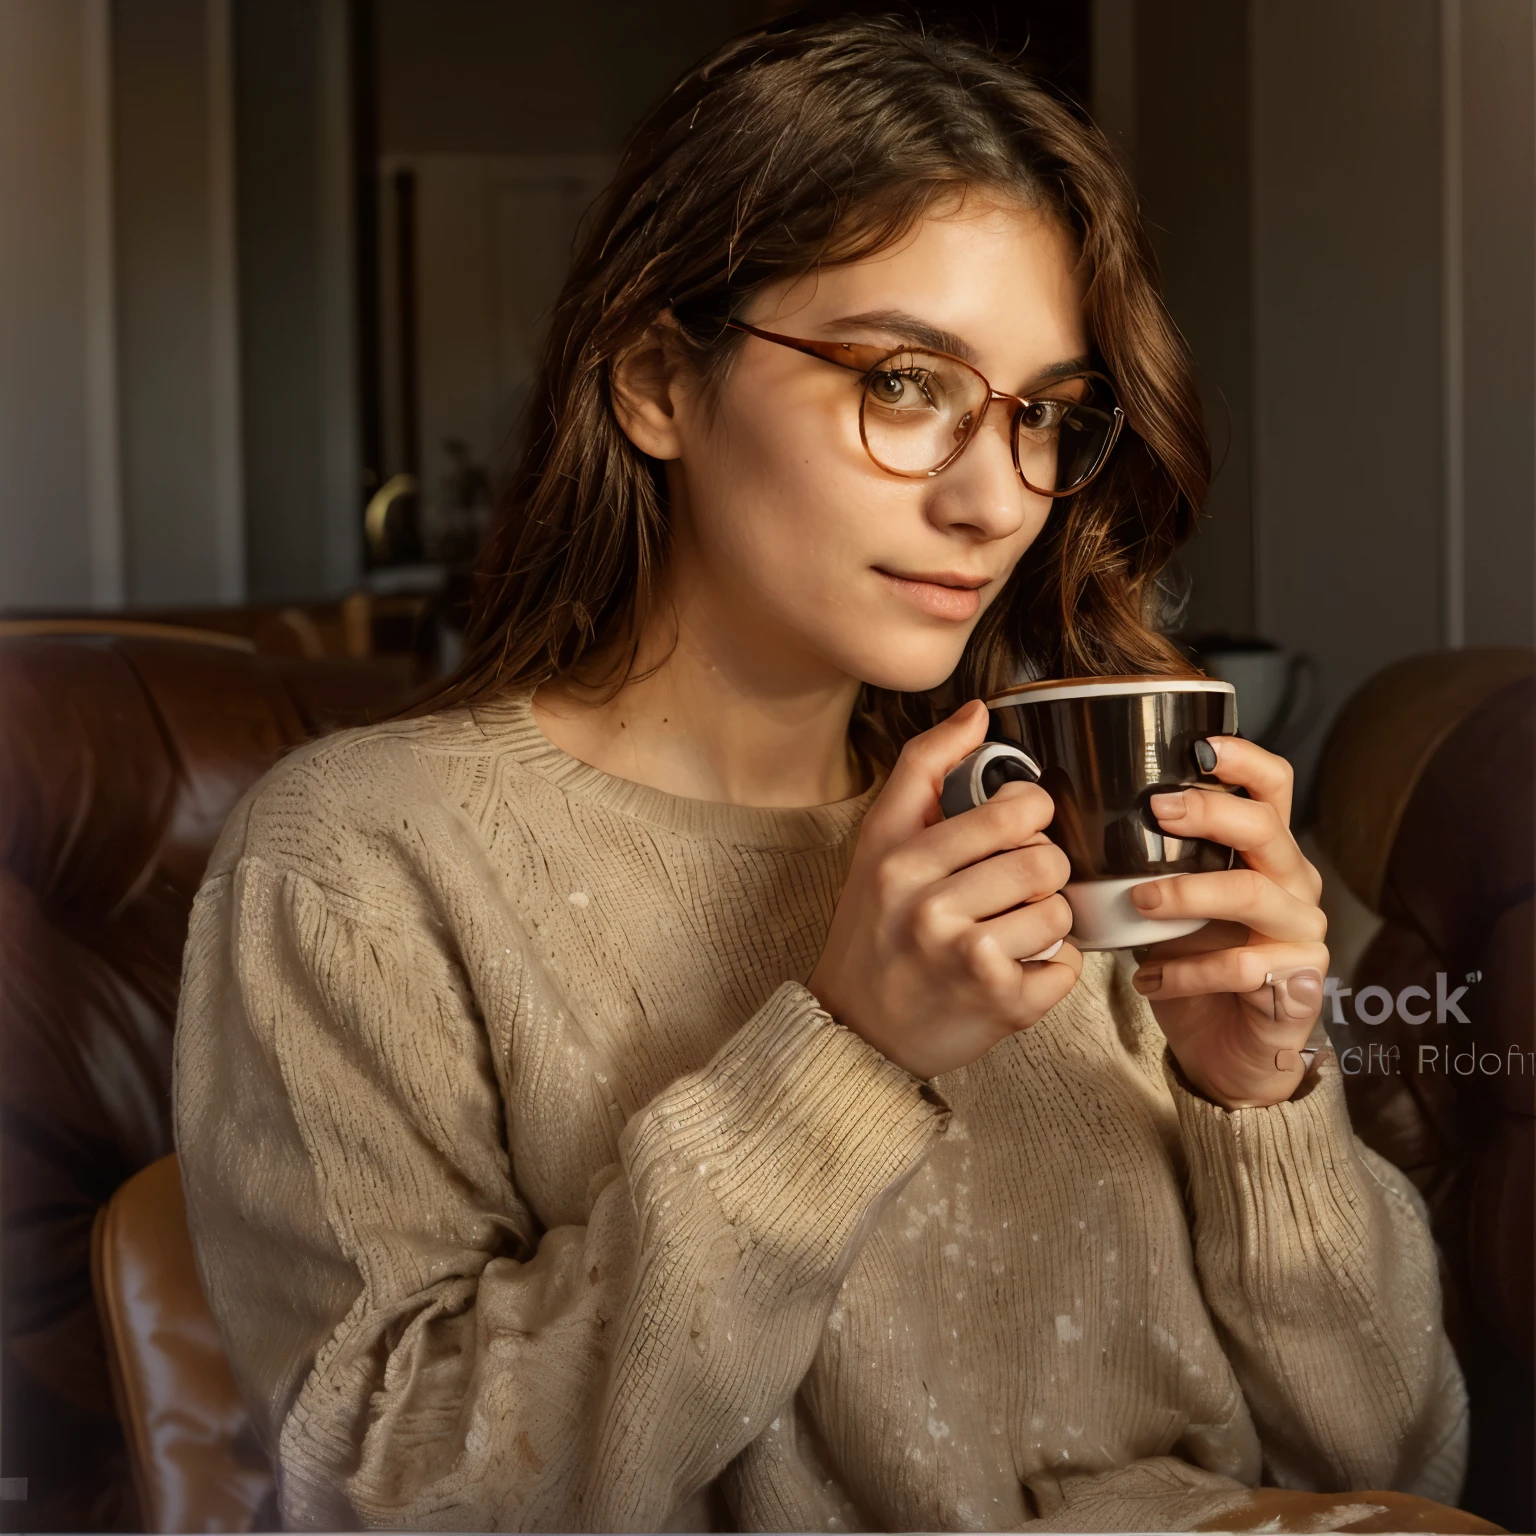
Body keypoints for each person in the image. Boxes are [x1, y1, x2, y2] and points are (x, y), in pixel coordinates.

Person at [174, 16, 1482, 1533]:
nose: (997, 500)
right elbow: (398, 1501)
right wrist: (850, 1054)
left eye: (1047, 416)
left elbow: (1395, 1461)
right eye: (908, 383)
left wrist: (1259, 1099)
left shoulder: (1080, 822)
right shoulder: (357, 865)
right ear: (658, 379)